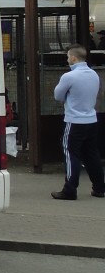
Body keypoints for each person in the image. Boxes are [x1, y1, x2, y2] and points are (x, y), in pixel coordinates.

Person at [51, 44, 104, 201]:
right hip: (91, 120)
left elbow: (58, 96)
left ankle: (69, 190)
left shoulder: (69, 76)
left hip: (74, 121)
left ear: (74, 58)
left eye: (68, 56)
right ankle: (100, 188)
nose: (67, 59)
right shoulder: (94, 74)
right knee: (91, 154)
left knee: (71, 153)